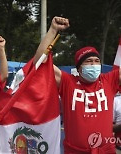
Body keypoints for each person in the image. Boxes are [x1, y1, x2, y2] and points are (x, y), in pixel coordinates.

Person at [34, 16, 121, 153]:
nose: (94, 65)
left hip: (106, 150)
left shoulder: (109, 80)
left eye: (96, 61)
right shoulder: (68, 82)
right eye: (88, 62)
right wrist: (53, 30)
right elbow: (39, 61)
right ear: (79, 68)